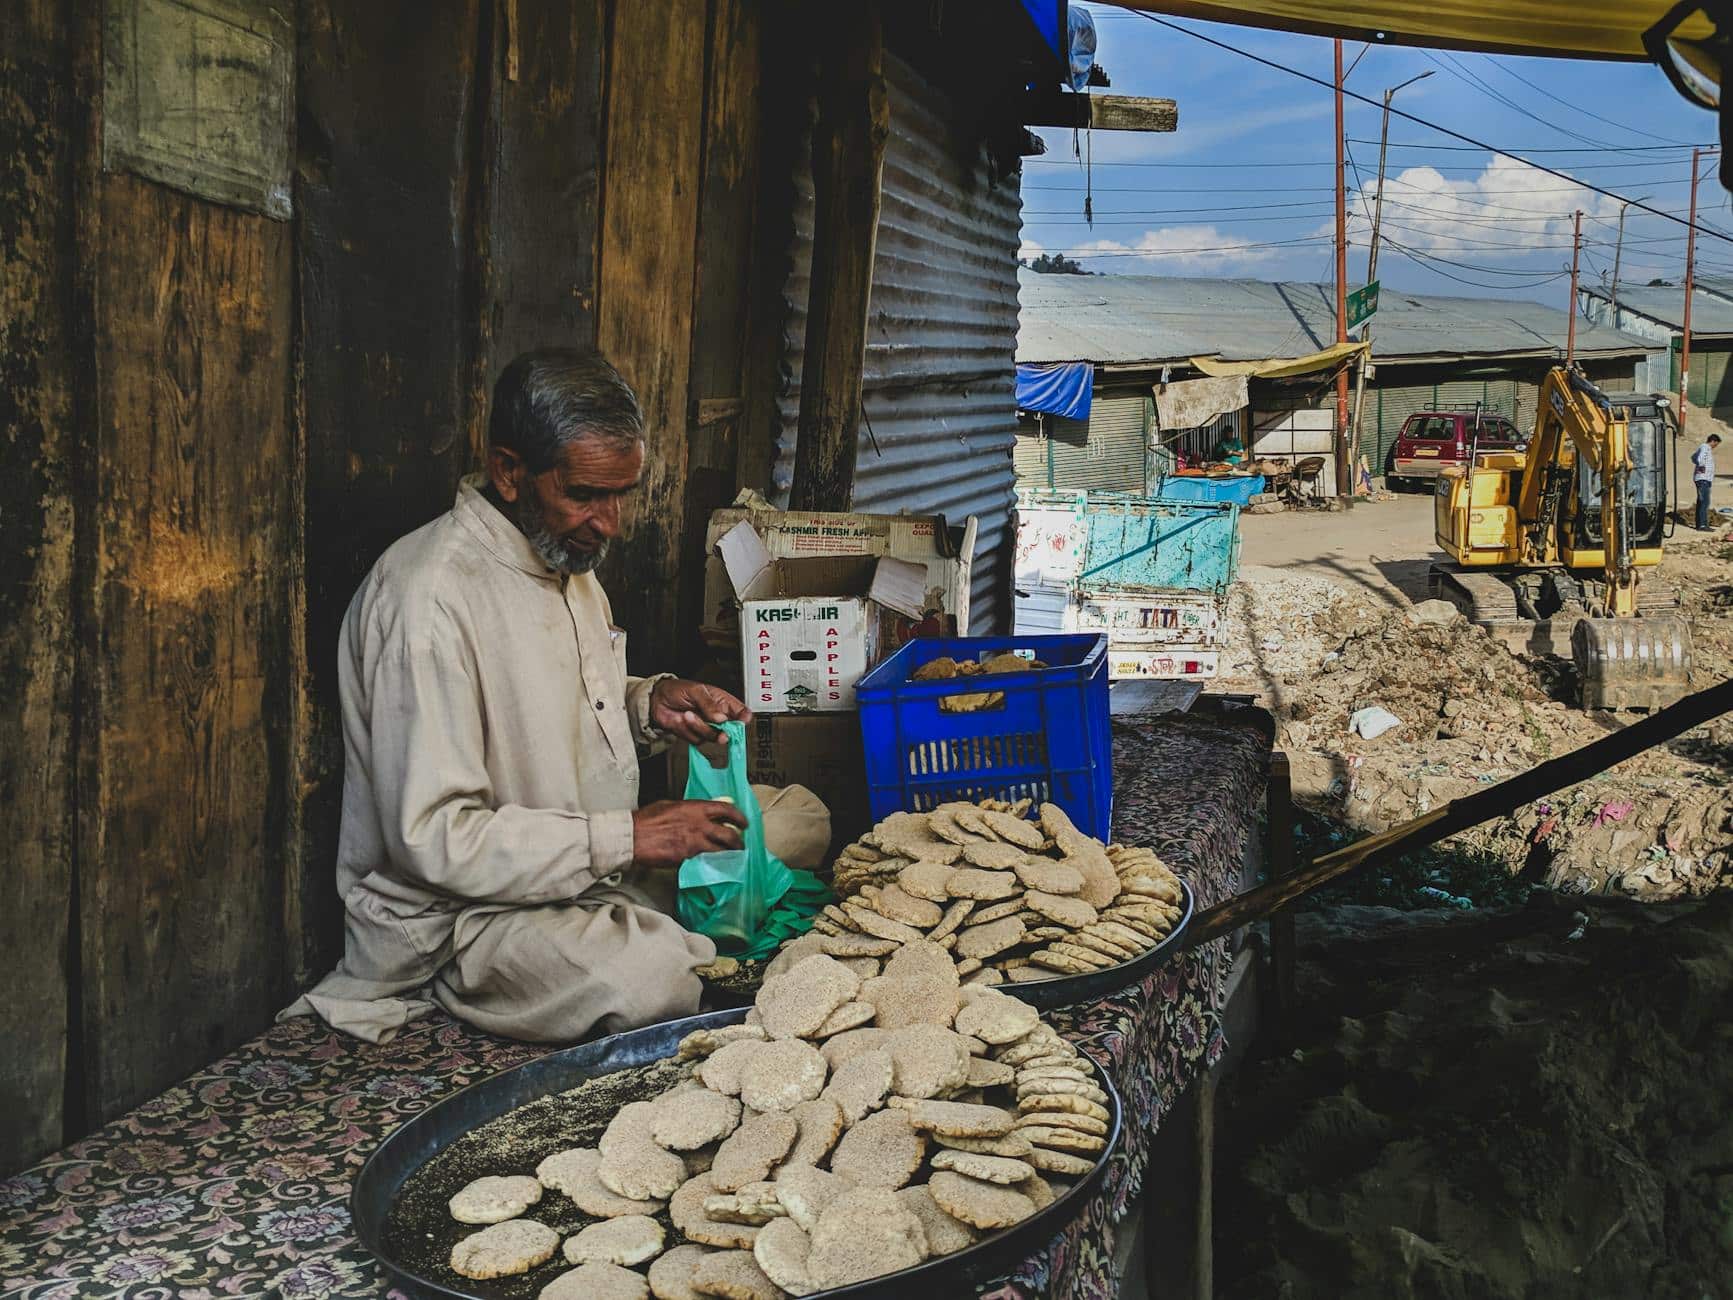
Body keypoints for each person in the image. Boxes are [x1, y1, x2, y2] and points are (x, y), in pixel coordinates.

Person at [285, 349, 825, 1044]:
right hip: (467, 917)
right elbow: (437, 840)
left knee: (795, 823)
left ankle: (650, 924)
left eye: (620, 494)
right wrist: (631, 836)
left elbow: (553, 702)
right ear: (511, 472)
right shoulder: (428, 601)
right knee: (650, 980)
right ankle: (642, 942)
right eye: (586, 495)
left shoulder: (563, 560)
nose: (610, 523)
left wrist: (648, 703)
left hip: (586, 870)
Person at [1694, 432, 1721, 530]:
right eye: (1716, 444)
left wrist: (1699, 465)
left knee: (1702, 502)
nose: (1715, 446)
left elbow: (1693, 457)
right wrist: (1701, 468)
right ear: (1713, 441)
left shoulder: (1703, 447)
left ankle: (1699, 524)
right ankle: (1702, 525)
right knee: (1705, 502)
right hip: (1703, 479)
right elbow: (1700, 458)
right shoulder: (1705, 447)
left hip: (1703, 479)